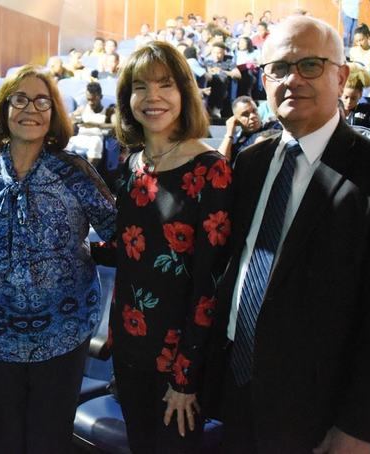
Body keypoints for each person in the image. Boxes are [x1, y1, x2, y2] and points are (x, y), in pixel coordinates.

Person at [208, 15, 370, 453]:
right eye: (280, 68)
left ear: (341, 75)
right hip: (236, 389)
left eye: (309, 65)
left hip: (318, 410)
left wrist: (358, 429)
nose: (292, 80)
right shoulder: (251, 161)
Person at [0, 65, 116, 454]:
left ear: (53, 114)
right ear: (4, 109)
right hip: (0, 333)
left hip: (63, 330)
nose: (29, 108)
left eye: (41, 101)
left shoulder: (74, 171)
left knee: (48, 439)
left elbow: (121, 233)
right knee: (3, 438)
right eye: (19, 98)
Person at [108, 40, 233, 453]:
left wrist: (185, 377)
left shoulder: (210, 169)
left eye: (165, 84)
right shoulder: (132, 164)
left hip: (178, 364)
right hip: (129, 351)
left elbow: (209, 287)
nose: (153, 97)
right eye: (140, 86)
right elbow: (131, 256)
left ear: (184, 91)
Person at [218, 96, 281, 164]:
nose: (252, 116)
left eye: (254, 111)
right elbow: (221, 163)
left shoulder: (273, 126)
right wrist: (229, 133)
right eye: (245, 114)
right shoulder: (236, 141)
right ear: (236, 120)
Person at [341, 63, 370, 135]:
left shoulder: (367, 110)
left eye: (353, 98)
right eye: (346, 97)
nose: (349, 102)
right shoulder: (333, 111)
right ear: (340, 92)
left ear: (360, 95)